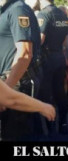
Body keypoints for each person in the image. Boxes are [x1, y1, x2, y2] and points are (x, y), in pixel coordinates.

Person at [0, 0, 43, 141]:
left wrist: (6, 92)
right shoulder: (7, 10)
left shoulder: (18, 9)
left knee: (17, 135)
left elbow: (24, 54)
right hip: (10, 81)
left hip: (16, 81)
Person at [36, 0, 68, 135]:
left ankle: (51, 127)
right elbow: (65, 39)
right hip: (59, 56)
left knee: (46, 93)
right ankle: (63, 123)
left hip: (47, 58)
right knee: (60, 91)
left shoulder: (44, 14)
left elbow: (41, 38)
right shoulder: (63, 15)